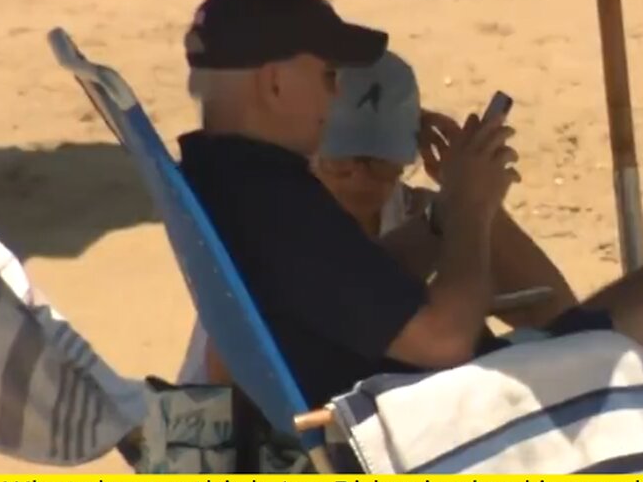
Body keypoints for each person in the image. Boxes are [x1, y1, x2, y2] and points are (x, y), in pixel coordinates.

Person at [178, 0, 643, 473]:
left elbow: (342, 298)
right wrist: (472, 211)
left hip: (401, 416)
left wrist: (447, 214)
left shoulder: (234, 182)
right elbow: (442, 339)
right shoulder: (274, 200)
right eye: (329, 76)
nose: (336, 98)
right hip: (432, 441)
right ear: (276, 82)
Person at [177, 49, 577, 383]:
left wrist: (471, 202)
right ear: (307, 156)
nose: (361, 180)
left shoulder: (421, 217)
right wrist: (465, 212)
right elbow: (229, 368)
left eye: (382, 165)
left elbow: (559, 315)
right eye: (341, 165)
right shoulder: (284, 231)